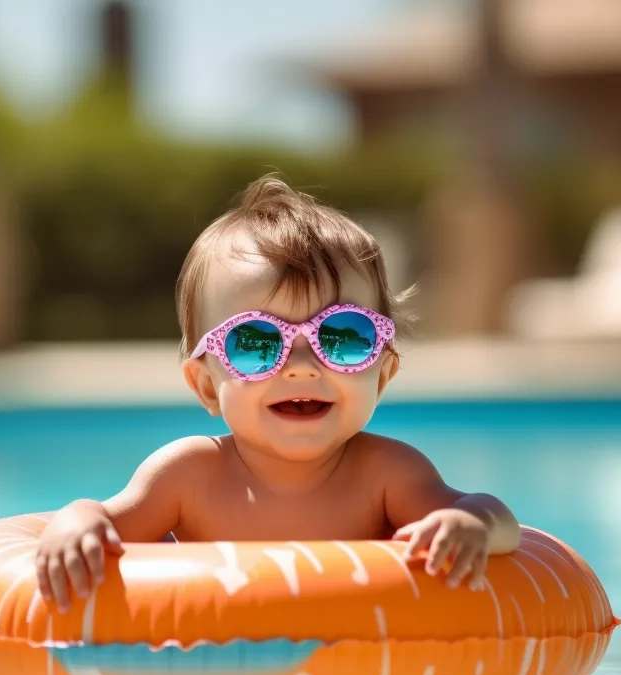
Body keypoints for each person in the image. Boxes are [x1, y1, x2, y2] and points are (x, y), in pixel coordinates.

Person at [35, 175, 521, 613]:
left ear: (384, 373)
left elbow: (496, 517)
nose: (302, 369)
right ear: (206, 384)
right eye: (256, 345)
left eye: (344, 337)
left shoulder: (387, 474)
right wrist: (76, 521)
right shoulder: (187, 476)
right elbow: (104, 517)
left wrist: (470, 525)